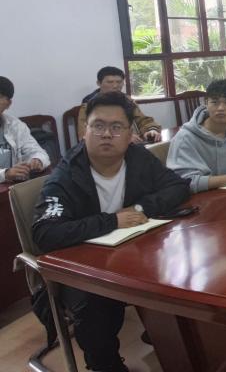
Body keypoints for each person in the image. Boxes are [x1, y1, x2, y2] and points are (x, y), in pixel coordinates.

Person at [32, 91, 190, 372]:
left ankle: (169, 339)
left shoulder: (137, 157)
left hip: (133, 250)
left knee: (181, 269)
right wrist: (112, 221)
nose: (107, 134)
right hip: (82, 264)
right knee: (95, 304)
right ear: (84, 131)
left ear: (130, 134)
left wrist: (140, 208)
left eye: (116, 127)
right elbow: (45, 233)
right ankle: (104, 364)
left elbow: (177, 187)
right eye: (98, 126)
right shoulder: (65, 176)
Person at [76, 67, 161, 143]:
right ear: (99, 83)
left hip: (134, 144)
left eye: (119, 82)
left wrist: (151, 130)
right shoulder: (89, 104)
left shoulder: (127, 100)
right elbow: (85, 135)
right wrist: (124, 138)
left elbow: (143, 120)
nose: (115, 86)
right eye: (110, 82)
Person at [0, 76, 50, 182]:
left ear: (8, 104)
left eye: (0, 97)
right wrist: (5, 174)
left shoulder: (15, 125)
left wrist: (37, 160)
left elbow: (39, 152)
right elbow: (6, 174)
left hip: (13, 187)